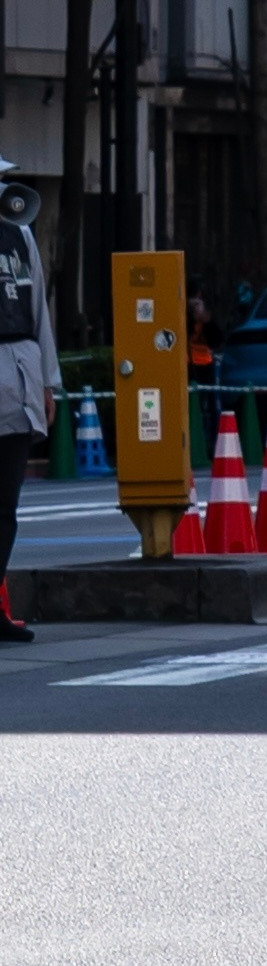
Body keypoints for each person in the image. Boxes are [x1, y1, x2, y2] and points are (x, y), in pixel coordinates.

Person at [0, 156, 60, 641]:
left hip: (17, 382)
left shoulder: (18, 235)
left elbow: (38, 307)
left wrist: (47, 383)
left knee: (4, 507)